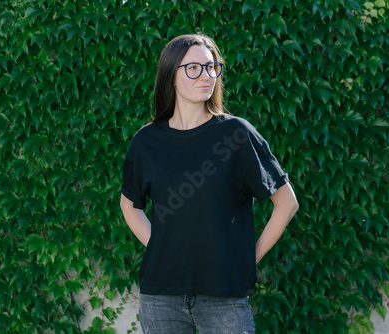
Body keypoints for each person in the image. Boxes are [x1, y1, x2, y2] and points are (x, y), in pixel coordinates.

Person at [120, 33, 299, 334]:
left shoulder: (236, 135)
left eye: (212, 67)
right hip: (161, 298)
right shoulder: (147, 141)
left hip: (223, 298)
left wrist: (246, 255)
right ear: (171, 76)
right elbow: (129, 204)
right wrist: (162, 245)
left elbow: (286, 203)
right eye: (194, 68)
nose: (207, 75)